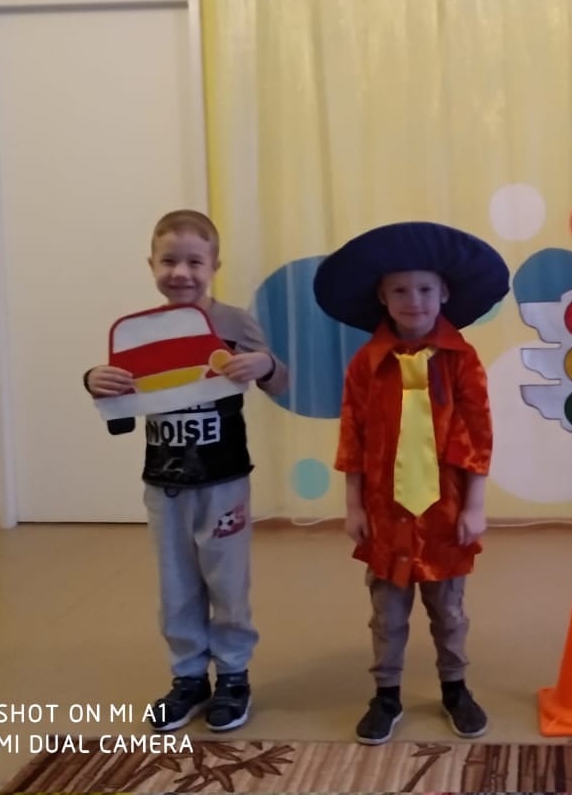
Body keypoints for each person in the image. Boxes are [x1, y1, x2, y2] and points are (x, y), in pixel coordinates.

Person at [83, 209, 288, 733]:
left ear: (214, 265)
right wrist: (93, 379)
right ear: (151, 264)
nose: (181, 272)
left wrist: (265, 364)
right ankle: (189, 677)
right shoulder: (141, 332)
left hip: (225, 482)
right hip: (165, 484)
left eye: (194, 262)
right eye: (169, 261)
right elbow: (120, 404)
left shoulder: (235, 322)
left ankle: (234, 675)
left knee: (227, 582)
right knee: (175, 585)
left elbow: (279, 382)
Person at [312, 221, 509, 745]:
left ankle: (455, 688)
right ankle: (386, 694)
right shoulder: (365, 364)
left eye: (424, 288)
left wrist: (475, 505)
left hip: (445, 511)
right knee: (387, 612)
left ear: (444, 292)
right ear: (382, 297)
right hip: (386, 511)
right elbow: (352, 436)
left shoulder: (463, 360)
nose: (413, 300)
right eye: (399, 290)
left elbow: (479, 434)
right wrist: (354, 505)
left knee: (449, 610)